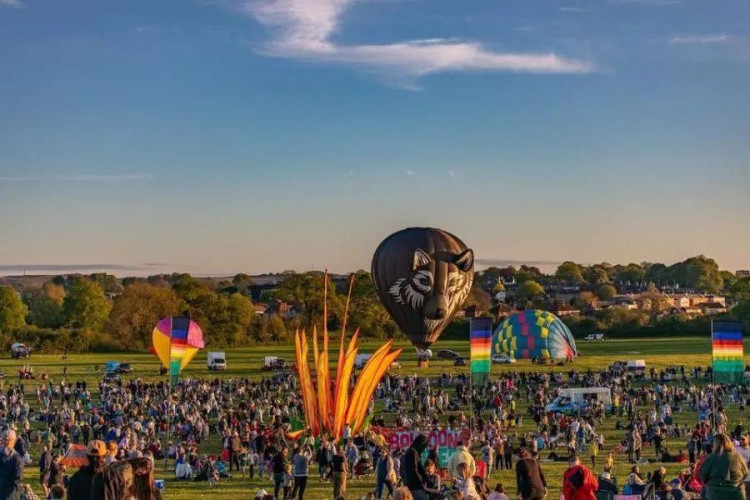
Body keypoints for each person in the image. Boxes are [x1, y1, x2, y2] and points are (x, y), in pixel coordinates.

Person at [699, 433, 748, 500]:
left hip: (715, 494)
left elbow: (703, 476)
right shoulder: (738, 456)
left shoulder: (710, 458)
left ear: (715, 444)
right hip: (736, 494)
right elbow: (745, 473)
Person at [0, 429, 24, 500]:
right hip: (11, 494)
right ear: (14, 441)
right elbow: (18, 478)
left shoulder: (16, 458)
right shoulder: (17, 458)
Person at [402, 434, 428, 499]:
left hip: (409, 483)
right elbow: (415, 470)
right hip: (415, 485)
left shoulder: (410, 451)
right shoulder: (413, 452)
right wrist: (421, 482)